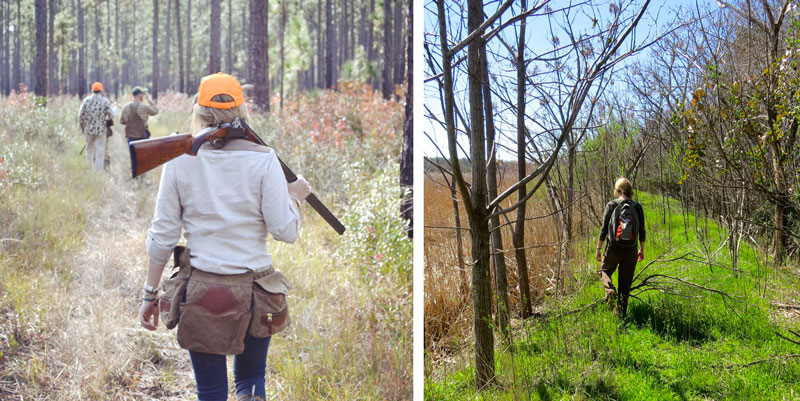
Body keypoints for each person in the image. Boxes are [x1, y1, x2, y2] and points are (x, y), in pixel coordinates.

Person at [138, 72, 311, 401]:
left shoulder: (178, 159)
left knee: (212, 391)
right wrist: (294, 196)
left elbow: (163, 236)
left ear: (198, 112)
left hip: (202, 292)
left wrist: (150, 294)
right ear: (242, 113)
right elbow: (285, 231)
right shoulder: (264, 159)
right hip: (256, 292)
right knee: (251, 380)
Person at [595, 177, 646, 318]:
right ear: (630, 192)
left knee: (604, 271)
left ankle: (610, 291)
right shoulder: (637, 207)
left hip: (613, 248)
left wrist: (598, 249)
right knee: (625, 284)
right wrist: (641, 250)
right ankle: (621, 315)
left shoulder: (612, 205)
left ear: (618, 191)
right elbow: (642, 231)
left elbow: (604, 230)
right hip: (631, 249)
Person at [78, 82, 112, 171]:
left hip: (88, 130)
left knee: (89, 150)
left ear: (92, 90)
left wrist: (82, 128)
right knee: (100, 152)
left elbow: (80, 116)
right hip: (101, 130)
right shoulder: (105, 101)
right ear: (101, 90)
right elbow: (111, 115)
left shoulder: (86, 100)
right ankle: (98, 172)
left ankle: (90, 171)